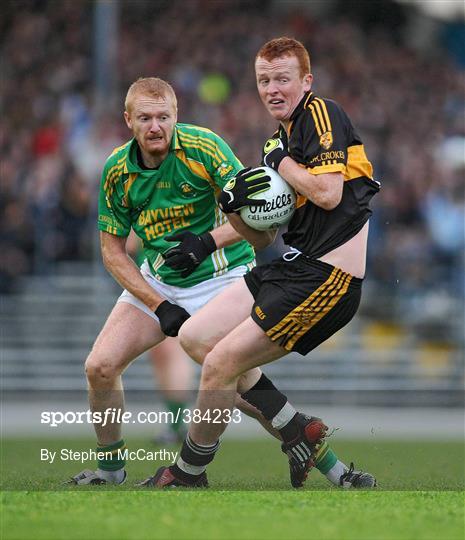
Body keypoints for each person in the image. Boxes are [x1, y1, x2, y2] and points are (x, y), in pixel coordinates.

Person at [142, 37, 380, 489]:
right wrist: (217, 229)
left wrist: (281, 162)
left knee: (220, 366)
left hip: (329, 280)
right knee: (193, 337)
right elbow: (266, 232)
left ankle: (189, 472)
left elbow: (327, 194)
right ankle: (300, 434)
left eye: (282, 79)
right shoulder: (278, 139)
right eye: (264, 80)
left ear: (306, 81)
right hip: (294, 265)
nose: (272, 89)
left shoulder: (320, 114)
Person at [68, 76, 278, 485]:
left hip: (225, 274)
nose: (155, 126)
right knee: (100, 366)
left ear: (176, 116)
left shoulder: (205, 147)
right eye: (145, 118)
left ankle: (310, 445)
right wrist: (158, 304)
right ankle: (110, 471)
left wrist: (205, 241)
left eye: (163, 117)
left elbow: (259, 215)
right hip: (162, 280)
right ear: (128, 120)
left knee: (239, 385)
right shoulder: (116, 170)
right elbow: (112, 251)